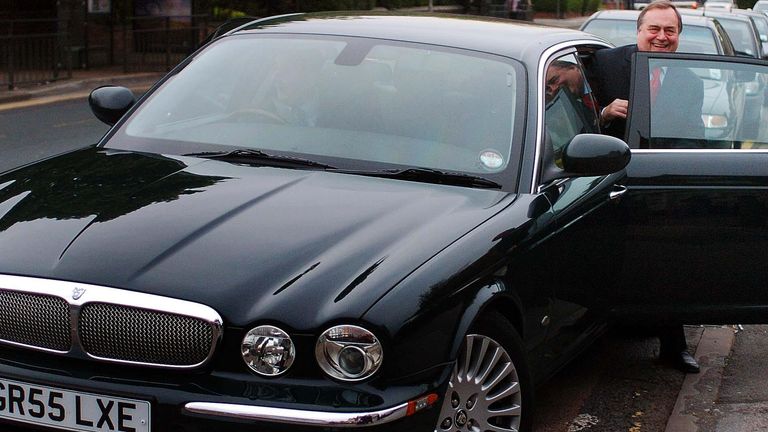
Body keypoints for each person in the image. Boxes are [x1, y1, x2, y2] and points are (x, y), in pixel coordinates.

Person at [590, 0, 701, 373]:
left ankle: (674, 346)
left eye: (670, 31)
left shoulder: (690, 78)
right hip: (604, 178)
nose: (661, 37)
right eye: (654, 29)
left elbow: (692, 137)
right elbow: (574, 113)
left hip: (657, 181)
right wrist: (604, 113)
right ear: (638, 31)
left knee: (666, 258)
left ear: (678, 36)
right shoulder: (605, 64)